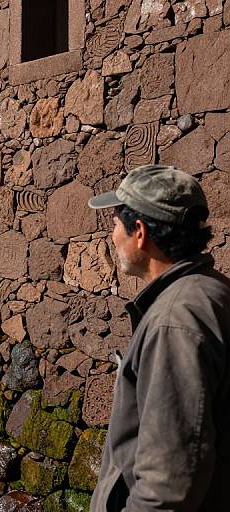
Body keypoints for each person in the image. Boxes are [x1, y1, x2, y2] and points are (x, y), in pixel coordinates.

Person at [87, 164, 230, 512]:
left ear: (139, 232)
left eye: (116, 223)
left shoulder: (175, 321)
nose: (112, 235)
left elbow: (166, 486)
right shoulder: (210, 292)